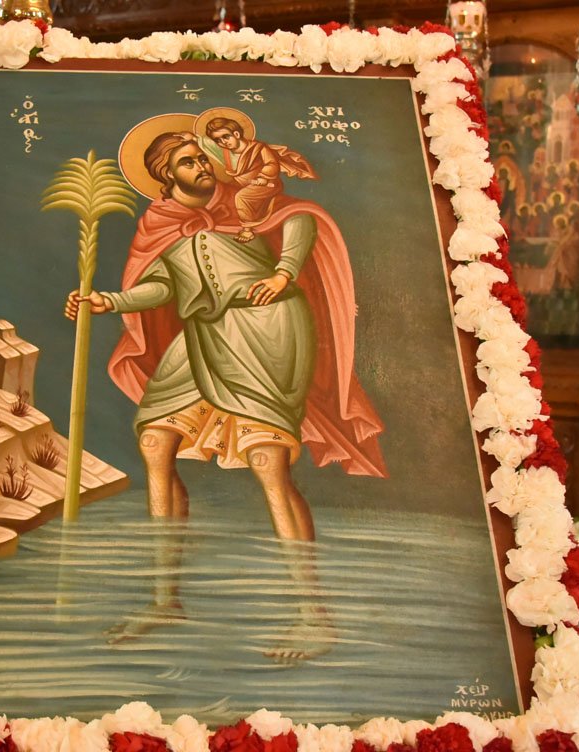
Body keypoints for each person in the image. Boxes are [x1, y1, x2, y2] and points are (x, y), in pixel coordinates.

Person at [64, 128, 386, 661]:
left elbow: (300, 216)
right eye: (189, 161)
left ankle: (313, 618)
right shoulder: (159, 223)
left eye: (203, 156)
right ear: (167, 175)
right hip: (203, 331)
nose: (203, 166)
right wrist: (109, 302)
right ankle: (164, 601)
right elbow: (163, 285)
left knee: (266, 458)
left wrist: (283, 273)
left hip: (267, 324)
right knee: (156, 442)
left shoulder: (245, 197)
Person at [199, 112, 317, 243]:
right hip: (240, 183)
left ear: (236, 134)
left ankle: (247, 230)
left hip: (265, 184)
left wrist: (263, 177)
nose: (223, 142)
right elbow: (206, 143)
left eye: (225, 137)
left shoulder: (258, 148)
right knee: (218, 190)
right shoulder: (226, 152)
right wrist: (193, 137)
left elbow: (272, 164)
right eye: (218, 140)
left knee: (242, 197)